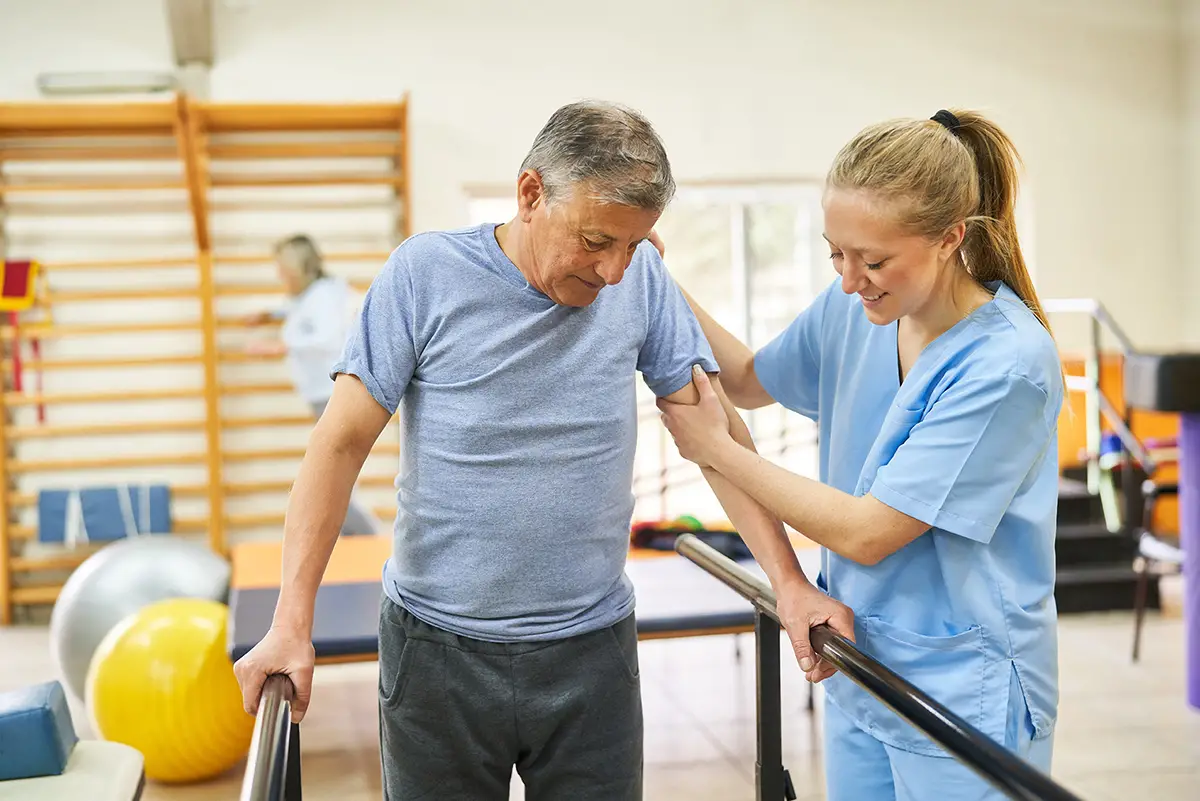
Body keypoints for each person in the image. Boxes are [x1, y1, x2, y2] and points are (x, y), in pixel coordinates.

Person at [231, 100, 853, 801]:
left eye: (635, 244)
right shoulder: (424, 274)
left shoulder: (641, 279)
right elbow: (338, 444)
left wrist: (791, 584)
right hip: (439, 653)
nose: (616, 270)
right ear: (531, 193)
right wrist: (291, 622)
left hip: (592, 652)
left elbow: (716, 438)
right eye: (596, 240)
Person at [656, 109, 1063, 800]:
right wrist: (656, 277)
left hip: (964, 690)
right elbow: (750, 381)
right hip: (860, 661)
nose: (850, 278)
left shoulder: (1006, 364)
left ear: (950, 239)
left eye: (873, 260)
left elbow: (868, 531)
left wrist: (715, 449)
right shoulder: (856, 309)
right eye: (835, 253)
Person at [243, 234, 382, 536]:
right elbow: (293, 309)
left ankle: (374, 540)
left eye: (282, 269)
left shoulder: (325, 296)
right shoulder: (313, 294)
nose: (279, 275)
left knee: (331, 483)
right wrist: (267, 316)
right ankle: (361, 540)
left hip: (334, 393)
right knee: (332, 479)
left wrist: (281, 346)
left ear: (296, 268)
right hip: (324, 394)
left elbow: (328, 337)